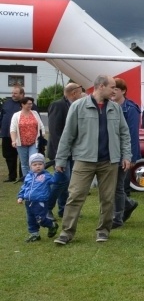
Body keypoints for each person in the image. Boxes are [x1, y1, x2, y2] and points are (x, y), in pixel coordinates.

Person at [53, 75, 132, 245]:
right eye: (112, 87)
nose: (114, 90)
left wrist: (126, 155)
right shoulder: (78, 106)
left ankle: (103, 230)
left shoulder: (115, 108)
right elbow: (68, 135)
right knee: (75, 196)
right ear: (101, 86)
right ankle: (66, 233)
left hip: (109, 161)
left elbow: (124, 134)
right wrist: (60, 159)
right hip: (83, 159)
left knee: (107, 198)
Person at [48, 82, 84, 217]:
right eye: (80, 93)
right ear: (74, 93)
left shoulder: (74, 105)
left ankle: (64, 209)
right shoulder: (58, 105)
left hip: (72, 152)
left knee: (67, 181)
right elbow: (55, 131)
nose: (81, 95)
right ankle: (46, 208)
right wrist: (61, 155)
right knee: (61, 180)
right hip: (60, 152)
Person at [111, 78, 141, 228]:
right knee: (114, 185)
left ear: (123, 91)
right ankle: (127, 205)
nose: (113, 92)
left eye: (116, 89)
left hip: (124, 152)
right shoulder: (109, 106)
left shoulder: (130, 108)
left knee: (119, 185)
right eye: (112, 89)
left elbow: (132, 133)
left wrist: (131, 156)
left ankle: (120, 213)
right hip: (111, 152)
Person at [17, 153, 59, 243]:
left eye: (40, 164)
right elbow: (24, 187)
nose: (38, 166)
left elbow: (54, 181)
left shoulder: (46, 176)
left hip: (40, 201)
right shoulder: (28, 176)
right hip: (29, 202)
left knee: (41, 219)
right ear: (30, 166)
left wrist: (58, 173)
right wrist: (21, 196)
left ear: (44, 165)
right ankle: (34, 234)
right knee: (31, 219)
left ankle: (52, 225)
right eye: (35, 165)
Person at [10, 96, 46, 179]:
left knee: (33, 160)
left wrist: (42, 134)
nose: (30, 105)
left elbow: (40, 125)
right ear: (22, 104)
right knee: (24, 163)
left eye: (31, 104)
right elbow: (13, 129)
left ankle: (34, 178)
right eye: (28, 104)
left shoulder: (35, 113)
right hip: (21, 143)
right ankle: (27, 180)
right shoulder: (16, 115)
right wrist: (13, 140)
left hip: (34, 142)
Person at [1, 85, 24, 182]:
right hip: (6, 134)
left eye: (15, 93)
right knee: (9, 156)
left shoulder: (26, 104)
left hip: (21, 135)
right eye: (12, 93)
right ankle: (12, 176)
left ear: (22, 94)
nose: (13, 95)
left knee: (23, 156)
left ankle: (23, 176)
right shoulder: (6, 103)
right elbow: (2, 116)